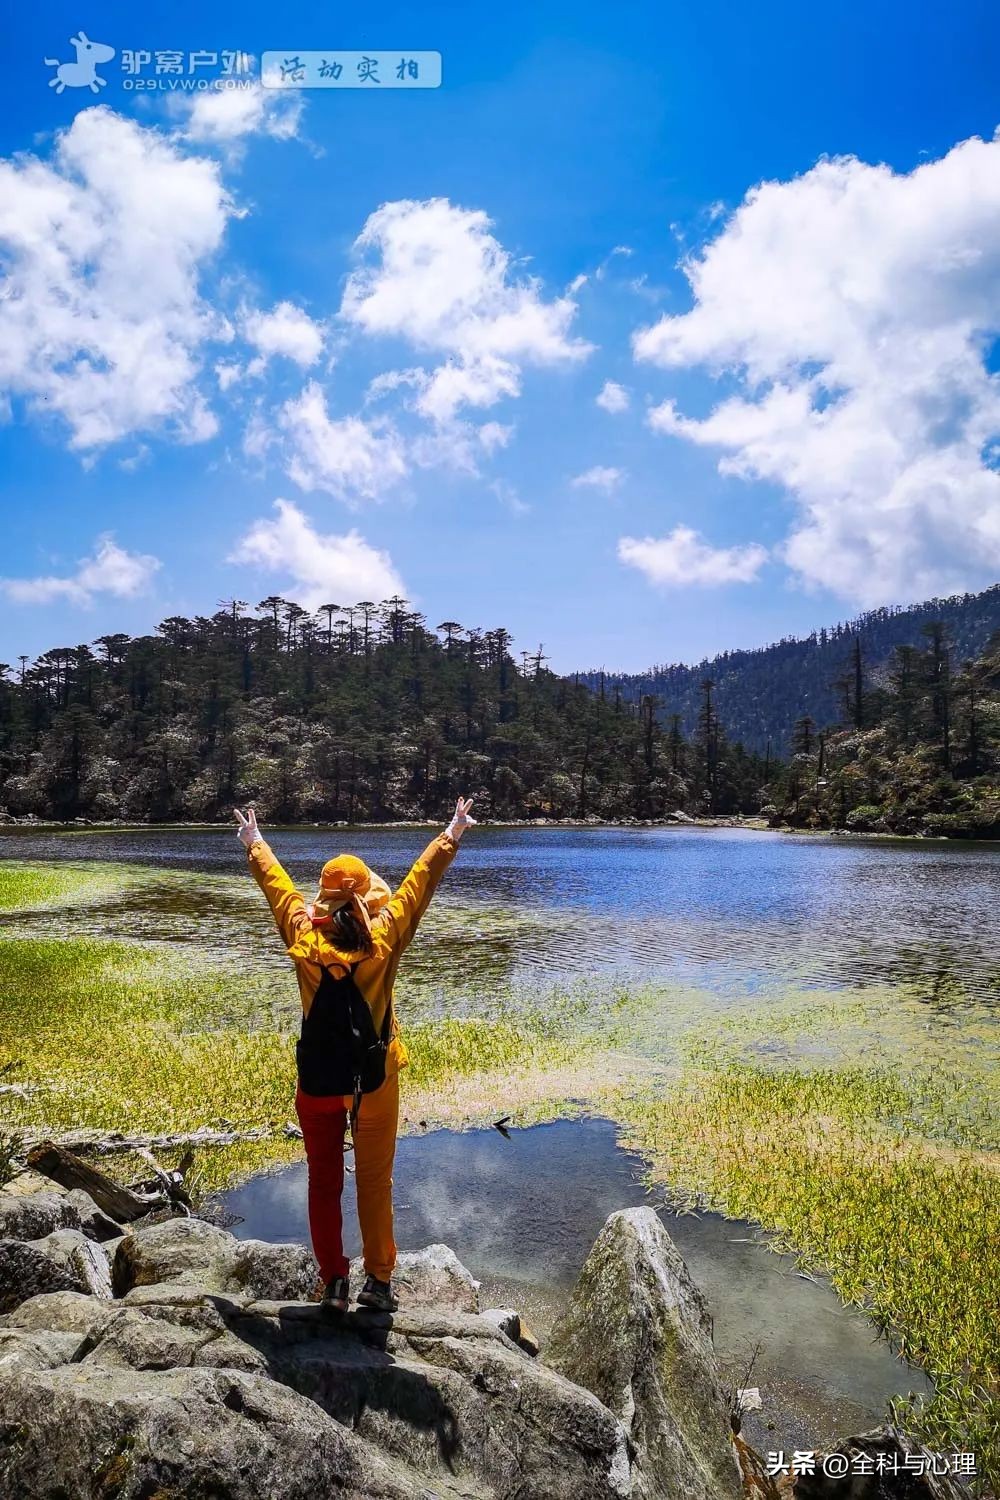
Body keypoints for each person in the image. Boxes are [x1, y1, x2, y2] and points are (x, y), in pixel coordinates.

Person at [234, 797, 477, 1314]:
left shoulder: (302, 933)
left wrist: (256, 843)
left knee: (323, 1184)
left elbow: (278, 889)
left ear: (323, 900)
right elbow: (417, 886)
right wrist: (451, 832)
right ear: (367, 897)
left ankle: (334, 1282)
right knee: (374, 1182)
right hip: (375, 1080)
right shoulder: (383, 937)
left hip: (317, 1082)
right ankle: (379, 1283)